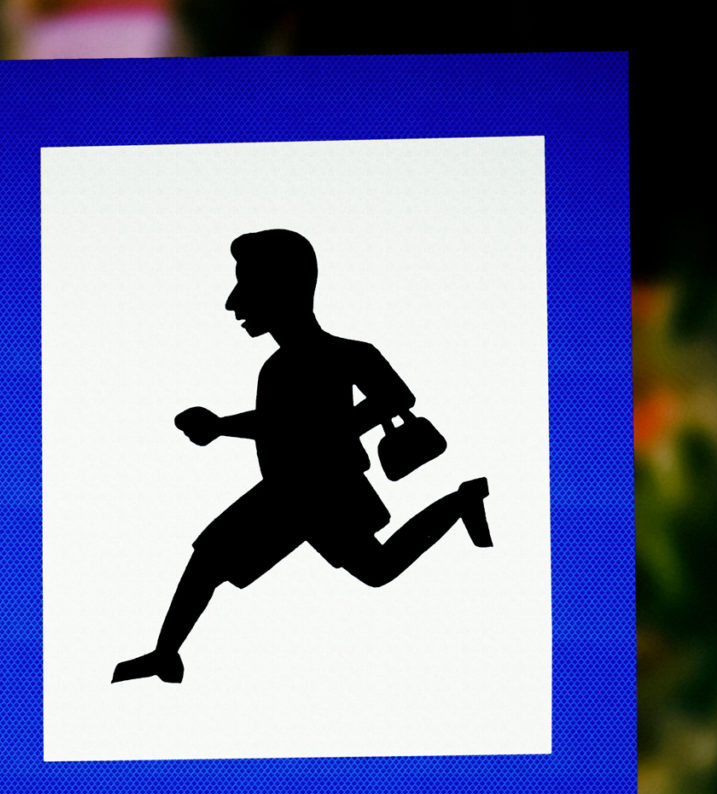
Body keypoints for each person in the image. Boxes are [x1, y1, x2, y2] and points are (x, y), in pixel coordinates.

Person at [112, 229, 491, 684]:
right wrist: (220, 426)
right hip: (288, 491)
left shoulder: (348, 353)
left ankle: (460, 502)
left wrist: (330, 431)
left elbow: (396, 394)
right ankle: (164, 653)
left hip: (325, 490)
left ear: (283, 289)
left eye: (246, 286)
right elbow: (275, 424)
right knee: (212, 556)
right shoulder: (275, 367)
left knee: (374, 568)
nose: (234, 303)